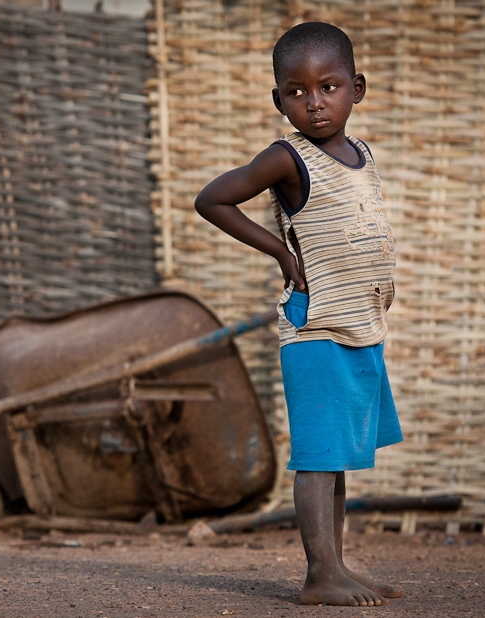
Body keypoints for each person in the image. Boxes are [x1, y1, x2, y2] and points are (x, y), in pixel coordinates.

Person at [194, 22, 404, 607]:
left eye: (329, 87)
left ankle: (335, 565)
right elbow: (212, 198)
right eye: (296, 91)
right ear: (278, 98)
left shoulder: (361, 154)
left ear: (356, 89)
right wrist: (282, 252)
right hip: (316, 329)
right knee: (317, 457)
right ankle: (319, 575)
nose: (313, 103)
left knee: (336, 458)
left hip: (358, 327)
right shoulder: (288, 158)